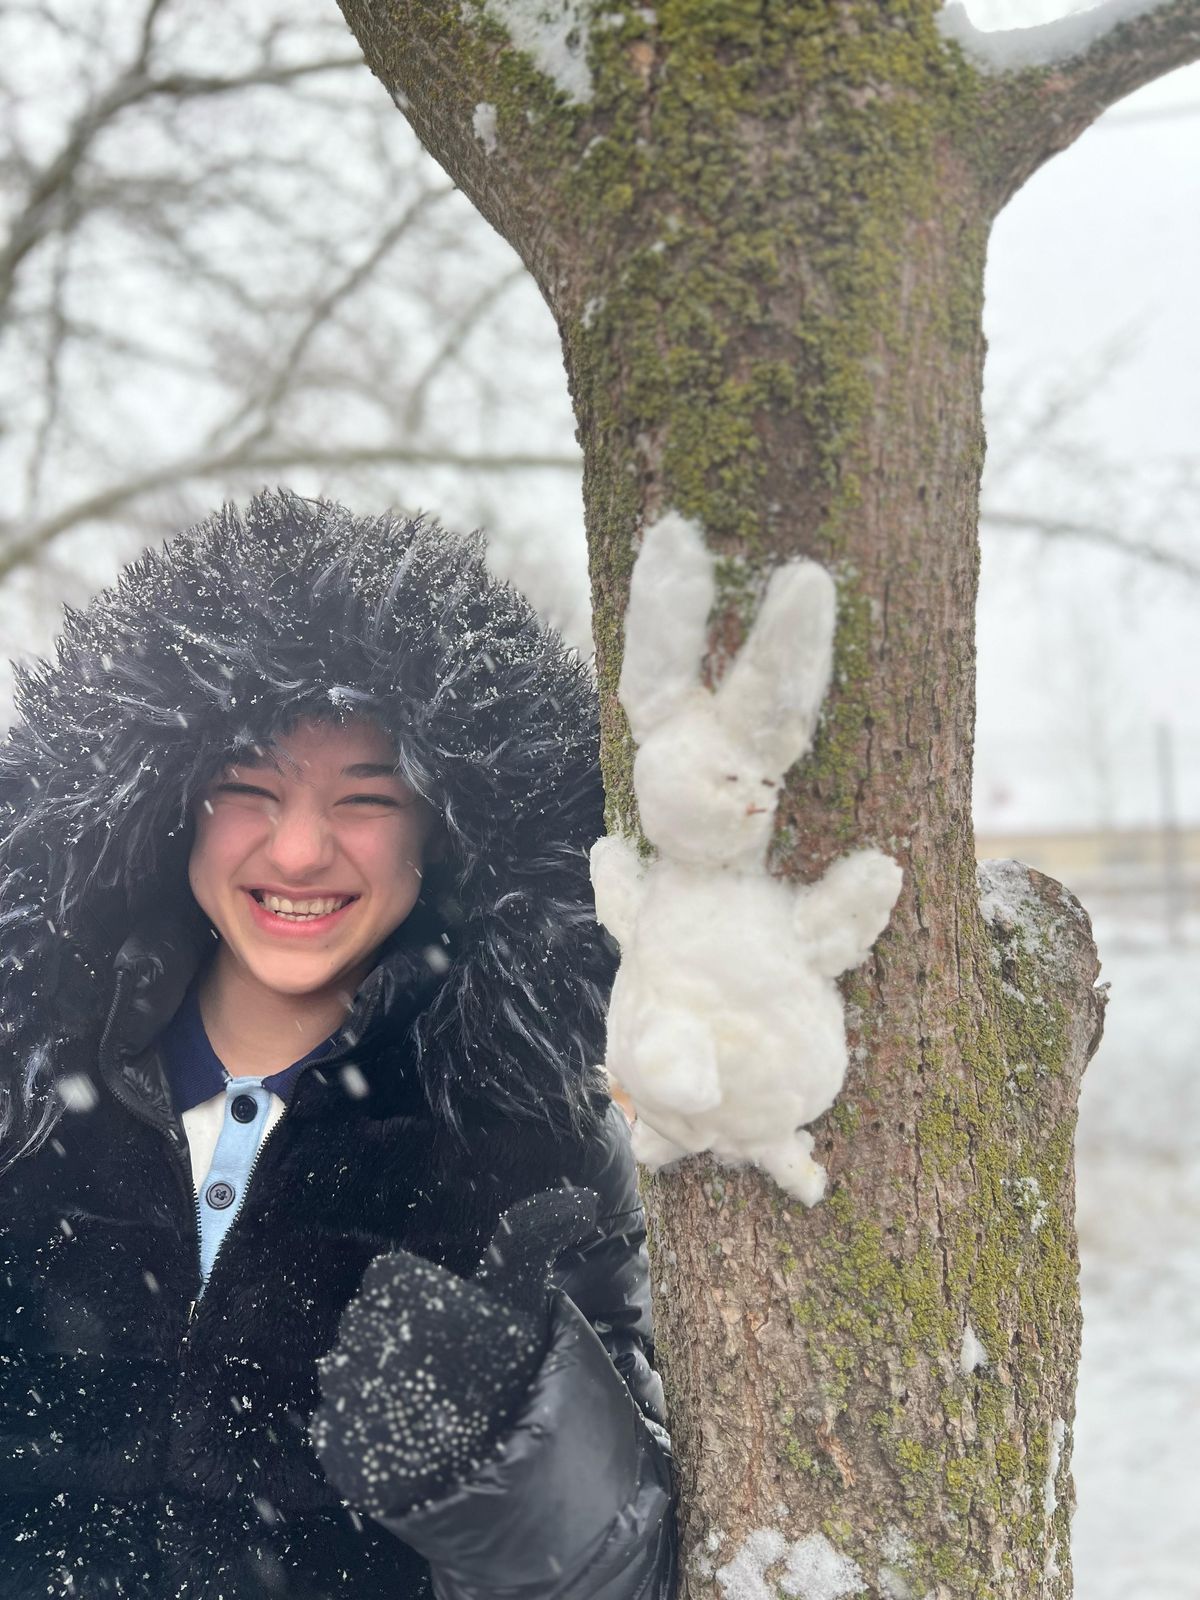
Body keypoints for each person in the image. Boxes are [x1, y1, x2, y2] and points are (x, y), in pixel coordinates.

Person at [0, 492, 678, 1598]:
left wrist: (512, 1443)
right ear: (171, 803)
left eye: (366, 799)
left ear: (441, 829)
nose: (300, 851)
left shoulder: (537, 1138)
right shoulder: (21, 1081)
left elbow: (625, 1574)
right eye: (249, 789)